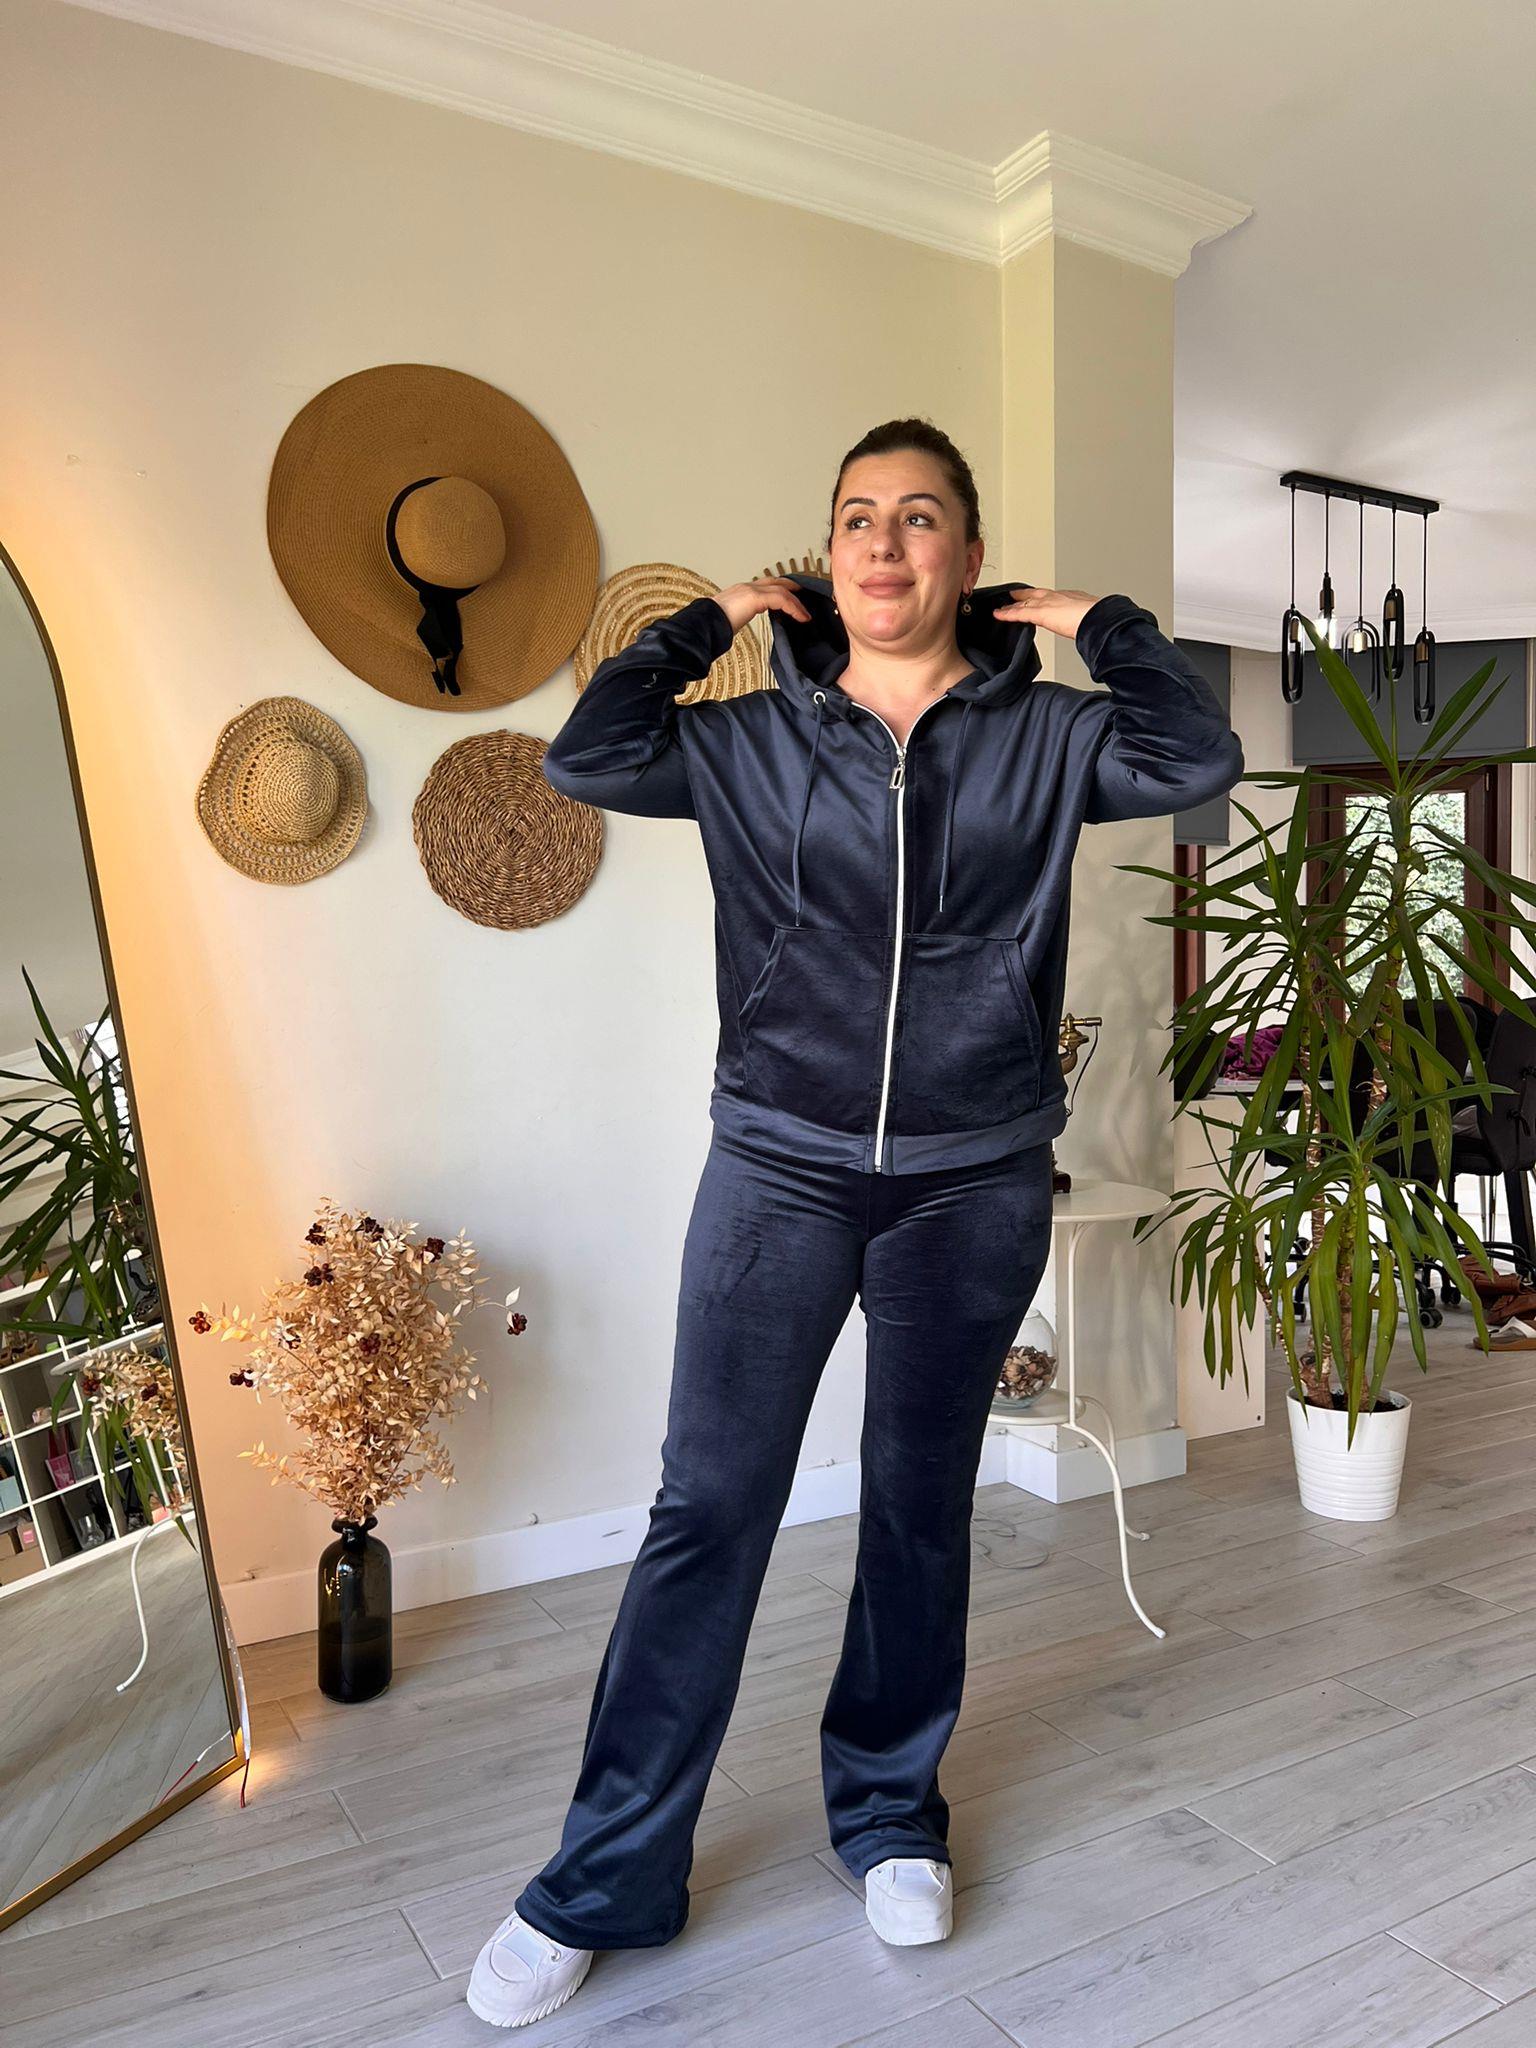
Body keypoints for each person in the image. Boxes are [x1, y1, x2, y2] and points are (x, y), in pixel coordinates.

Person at [466, 418, 1245, 2028]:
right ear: (826, 560)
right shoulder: (749, 741)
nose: (884, 544)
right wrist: (708, 621)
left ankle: (889, 1811)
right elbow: (588, 758)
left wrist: (1095, 621)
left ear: (971, 555)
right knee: (710, 1507)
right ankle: (605, 1874)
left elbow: (1199, 763)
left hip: (974, 1175)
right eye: (856, 518)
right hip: (779, 1165)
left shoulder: (1055, 738)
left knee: (917, 1507)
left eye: (920, 517)